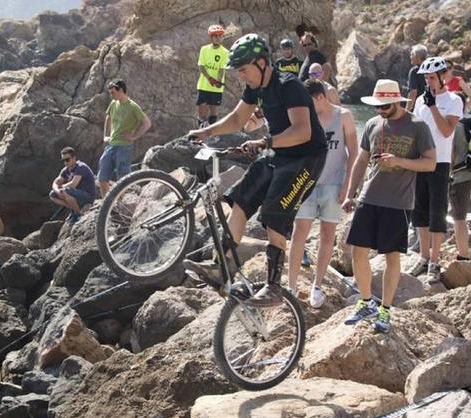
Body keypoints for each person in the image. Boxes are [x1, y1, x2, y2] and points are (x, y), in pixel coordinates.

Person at [185, 33, 328, 306]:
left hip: (306, 158)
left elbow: (302, 131)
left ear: (262, 62)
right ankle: (222, 264)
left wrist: (266, 141)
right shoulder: (256, 87)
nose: (240, 77)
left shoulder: (290, 86)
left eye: (243, 70)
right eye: (237, 71)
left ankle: (274, 287)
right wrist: (206, 132)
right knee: (241, 198)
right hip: (279, 152)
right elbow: (239, 118)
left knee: (273, 213)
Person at [341, 79, 436, 332]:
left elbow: (430, 163)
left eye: (385, 106)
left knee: (391, 256)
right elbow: (361, 161)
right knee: (357, 251)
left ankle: (385, 310)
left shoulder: (417, 126)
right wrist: (350, 193)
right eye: (377, 106)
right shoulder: (372, 124)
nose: (380, 110)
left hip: (399, 202)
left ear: (397, 101)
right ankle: (365, 302)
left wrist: (399, 161)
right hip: (369, 197)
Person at [287, 79, 358, 307]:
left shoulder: (343, 116)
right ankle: (291, 286)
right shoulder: (306, 118)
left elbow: (354, 152)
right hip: (308, 182)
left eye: (309, 102)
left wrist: (348, 187)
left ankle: (317, 286)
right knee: (299, 233)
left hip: (335, 184)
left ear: (320, 97)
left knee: (328, 234)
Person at [408, 56, 464, 283]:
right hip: (420, 159)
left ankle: (435, 261)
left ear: (442, 77)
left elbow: (447, 131)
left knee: (437, 213)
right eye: (426, 78)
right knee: (419, 212)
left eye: (432, 78)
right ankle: (423, 256)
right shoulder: (421, 100)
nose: (428, 82)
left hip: (440, 162)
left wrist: (432, 107)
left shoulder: (453, 100)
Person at [98, 79, 152, 196]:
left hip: (124, 147)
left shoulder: (133, 106)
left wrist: (134, 137)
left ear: (121, 90)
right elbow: (108, 118)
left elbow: (147, 123)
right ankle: (105, 203)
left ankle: (120, 203)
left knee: (122, 178)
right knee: (102, 176)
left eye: (113, 92)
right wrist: (105, 136)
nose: (111, 95)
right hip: (111, 145)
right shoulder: (113, 104)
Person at [447, 120, 471, 260]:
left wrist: (447, 174)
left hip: (461, 176)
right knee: (463, 210)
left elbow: (450, 154)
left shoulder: (454, 126)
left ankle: (463, 255)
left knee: (459, 218)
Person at [50, 147, 97, 223]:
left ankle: (78, 214)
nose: (65, 162)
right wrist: (57, 190)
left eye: (67, 160)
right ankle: (75, 209)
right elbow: (55, 182)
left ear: (74, 158)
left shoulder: (81, 167)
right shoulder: (66, 170)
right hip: (75, 195)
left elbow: (73, 184)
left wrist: (61, 188)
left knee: (65, 191)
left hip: (88, 195)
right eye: (63, 160)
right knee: (52, 195)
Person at [196, 25, 230, 128]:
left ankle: (212, 129)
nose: (217, 38)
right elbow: (201, 66)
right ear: (211, 37)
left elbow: (221, 69)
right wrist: (209, 79)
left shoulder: (225, 52)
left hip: (216, 87)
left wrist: (218, 81)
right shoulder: (204, 49)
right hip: (203, 84)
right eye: (215, 36)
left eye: (220, 35)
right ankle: (201, 127)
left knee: (213, 108)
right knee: (201, 106)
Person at [405, 44, 428, 112]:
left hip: (420, 108)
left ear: (417, 56)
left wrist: (407, 111)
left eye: (412, 54)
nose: (410, 57)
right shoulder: (432, 69)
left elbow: (413, 92)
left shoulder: (414, 71)